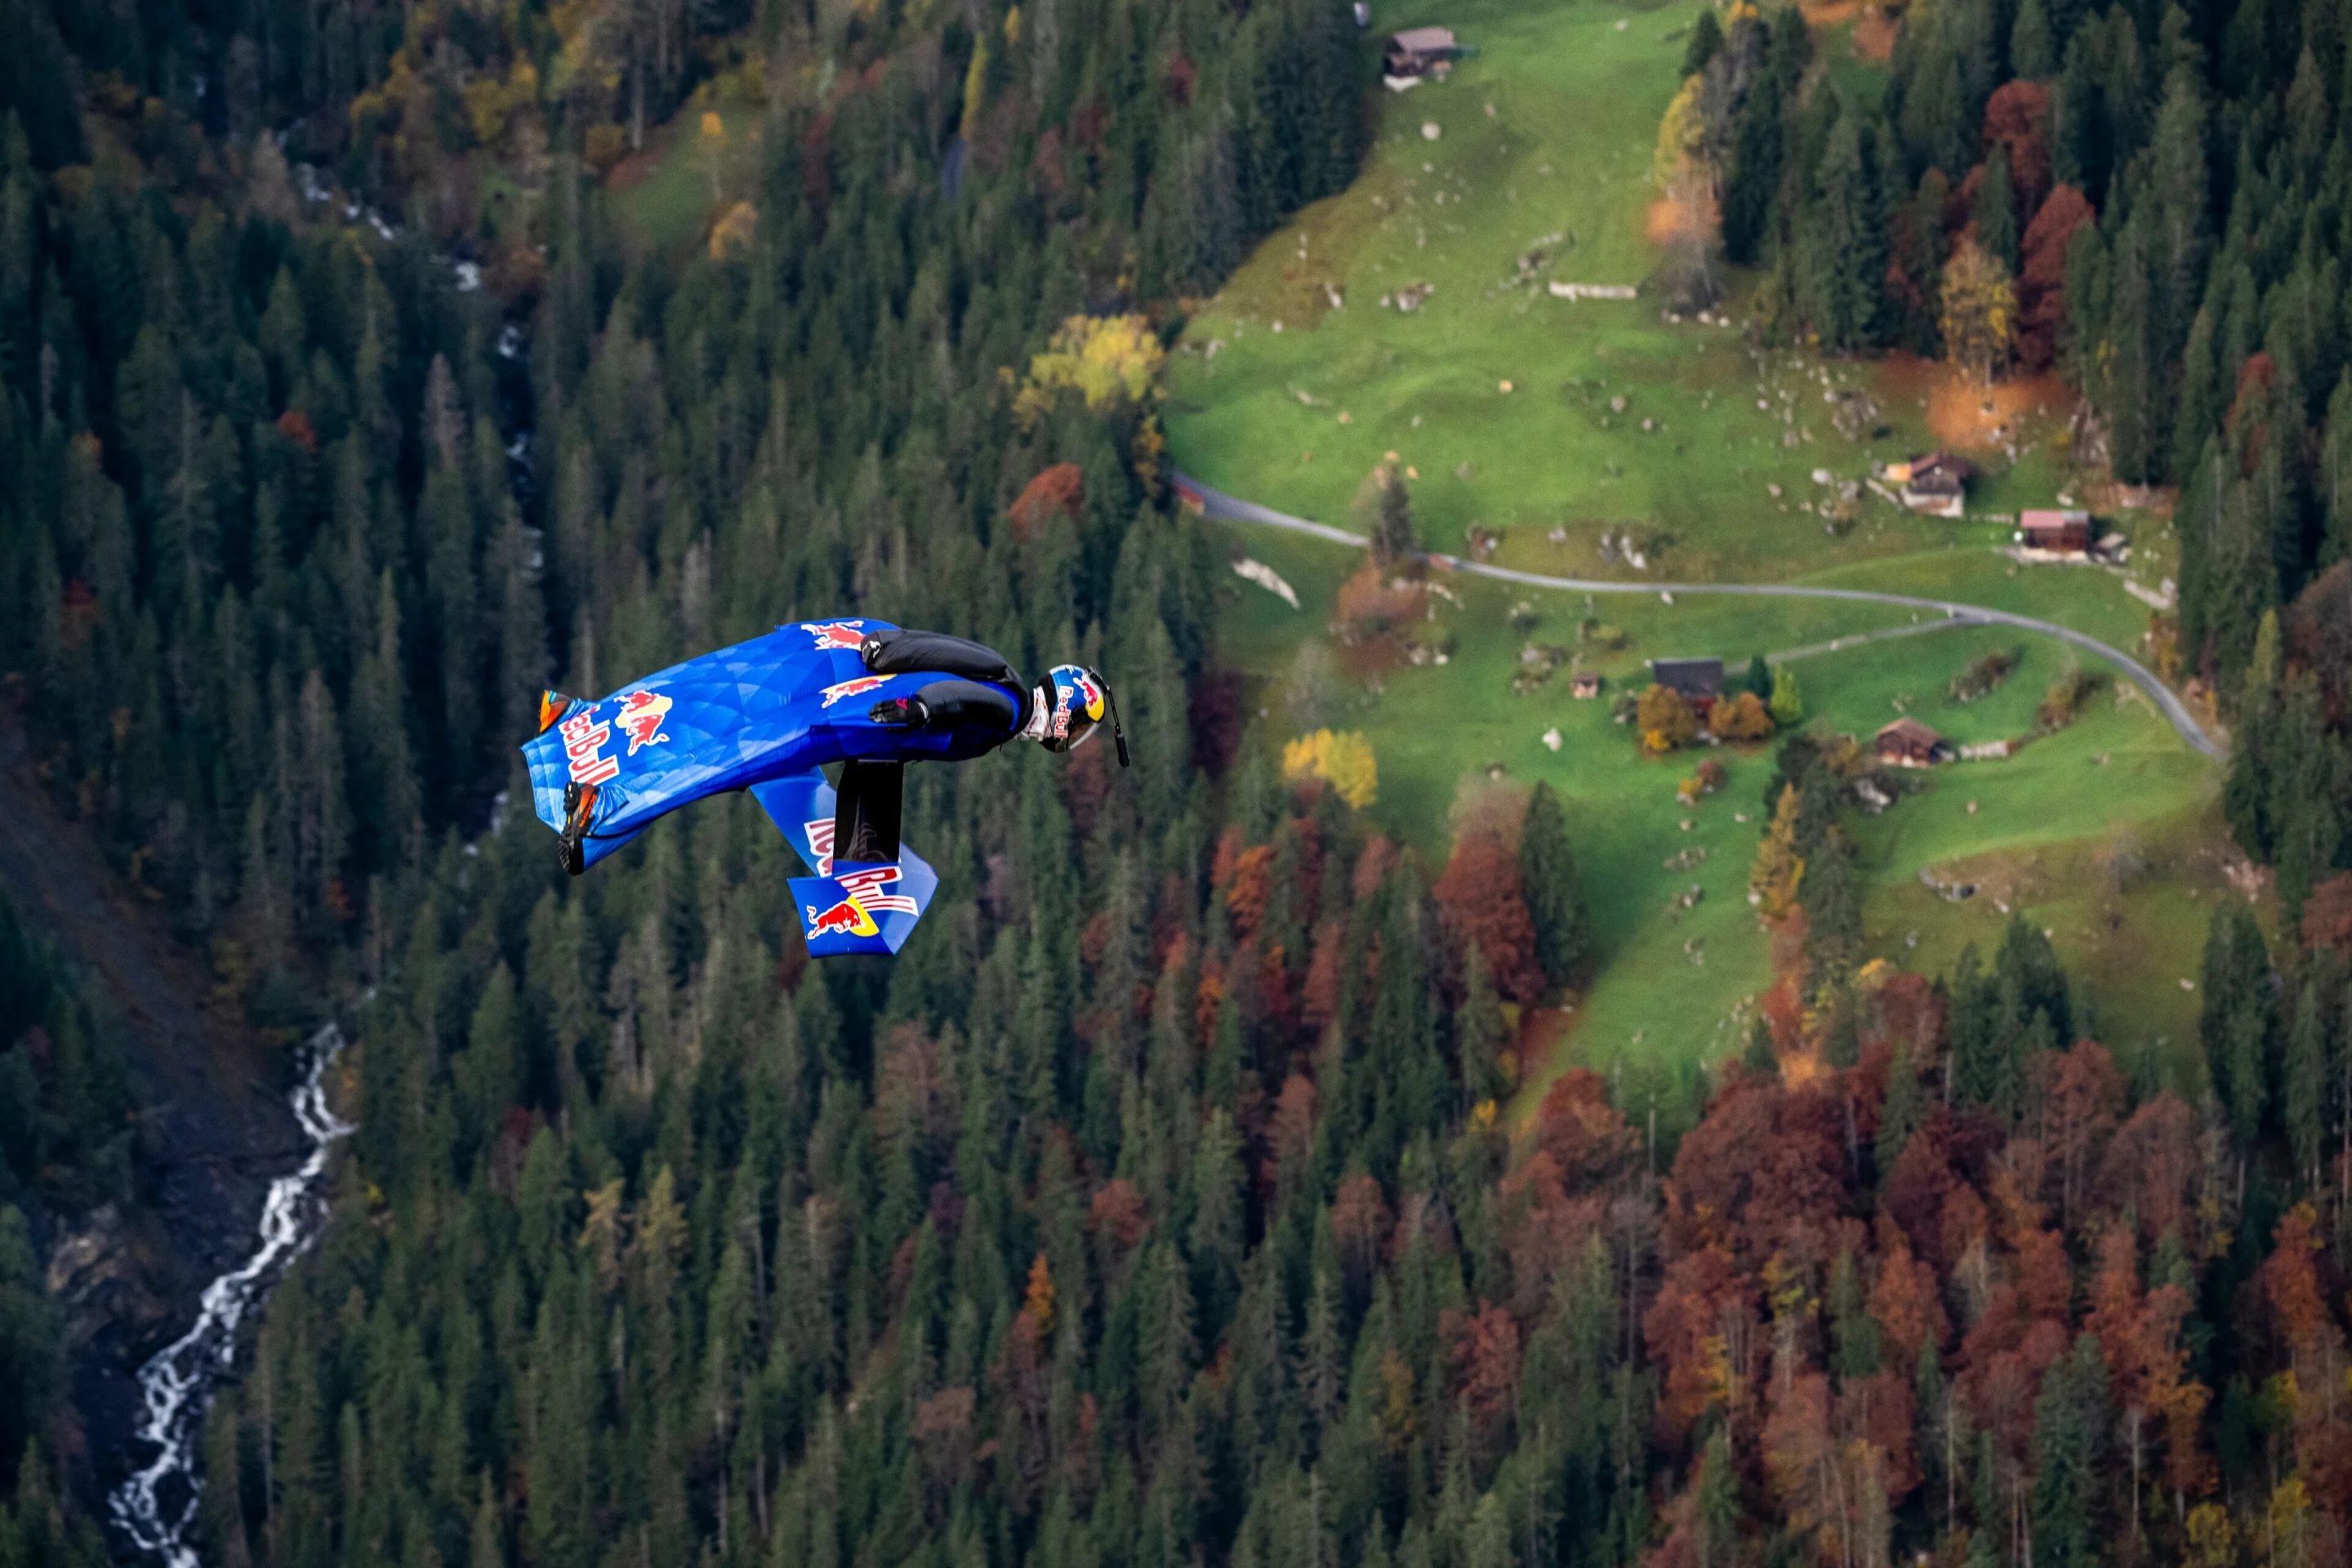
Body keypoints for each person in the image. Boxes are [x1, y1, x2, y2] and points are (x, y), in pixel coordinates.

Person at [523, 618, 1122, 886]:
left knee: (721, 685)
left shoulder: (1006, 671)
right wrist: (920, 711)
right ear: (1066, 716)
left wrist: (885, 655)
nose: (1071, 741)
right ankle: (601, 810)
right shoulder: (1010, 711)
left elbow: (940, 653)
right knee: (742, 755)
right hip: (865, 711)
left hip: (855, 649)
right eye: (1079, 729)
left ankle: (587, 724)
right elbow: (960, 700)